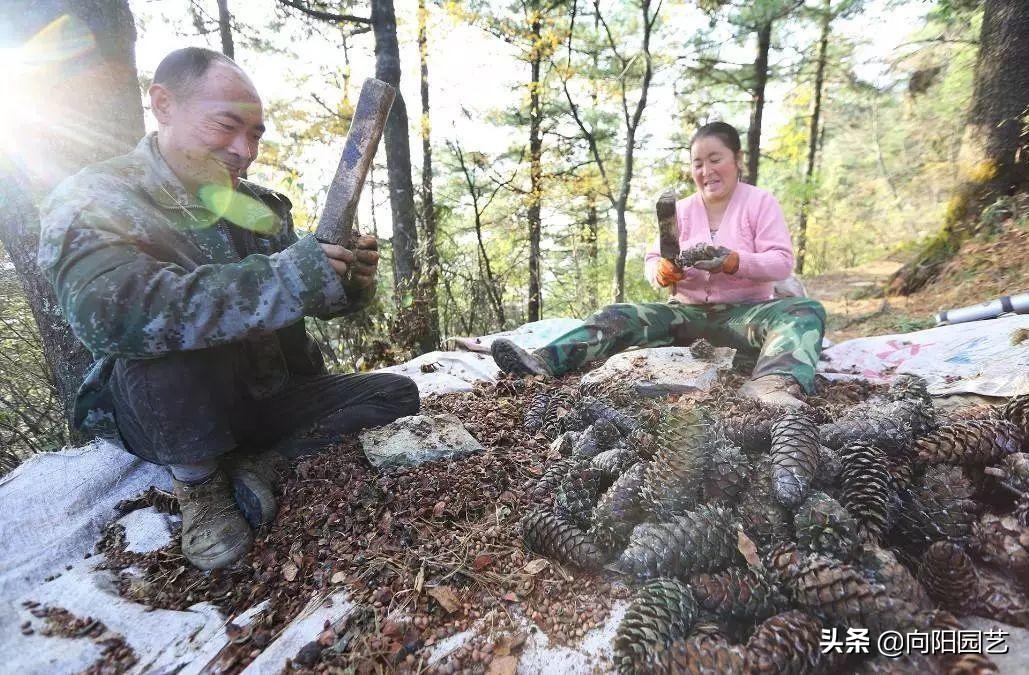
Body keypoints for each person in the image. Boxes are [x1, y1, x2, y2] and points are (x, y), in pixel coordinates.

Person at [38, 48, 420, 570]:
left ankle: (261, 465)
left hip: (267, 391)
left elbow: (305, 291)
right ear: (164, 105)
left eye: (257, 134)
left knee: (395, 392)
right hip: (171, 408)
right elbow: (117, 317)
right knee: (169, 341)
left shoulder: (254, 206)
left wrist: (346, 278)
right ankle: (201, 487)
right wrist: (291, 275)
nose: (245, 150)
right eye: (227, 126)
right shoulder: (97, 199)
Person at [491, 121, 826, 409]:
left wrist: (733, 262)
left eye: (715, 159)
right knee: (616, 315)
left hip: (745, 317)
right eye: (697, 163)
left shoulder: (759, 202)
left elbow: (781, 264)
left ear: (736, 160)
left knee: (804, 311)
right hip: (686, 316)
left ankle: (773, 386)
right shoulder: (680, 211)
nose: (706, 171)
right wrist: (661, 271)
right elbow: (653, 261)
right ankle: (543, 361)